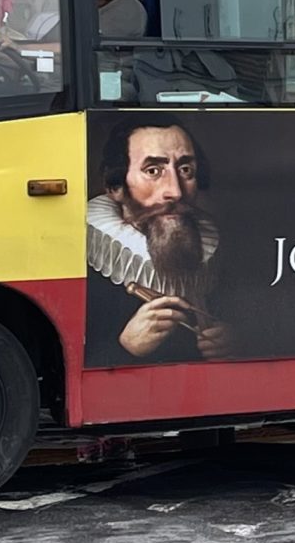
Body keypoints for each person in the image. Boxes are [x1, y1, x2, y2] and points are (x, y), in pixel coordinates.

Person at [84, 119, 230, 363]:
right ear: (115, 187)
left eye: (186, 170)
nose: (176, 192)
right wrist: (125, 348)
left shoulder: (221, 254)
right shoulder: (85, 262)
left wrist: (233, 342)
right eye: (153, 171)